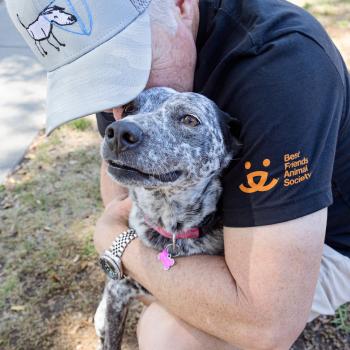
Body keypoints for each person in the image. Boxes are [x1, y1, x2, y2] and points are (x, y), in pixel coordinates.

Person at [7, 0, 350, 348]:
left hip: (319, 241)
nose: (118, 115)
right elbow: (117, 176)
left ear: (179, 4)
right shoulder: (126, 92)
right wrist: (135, 243)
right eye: (98, 78)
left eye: (129, 61)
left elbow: (266, 324)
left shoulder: (283, 66)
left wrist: (119, 247)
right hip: (215, 224)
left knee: (166, 335)